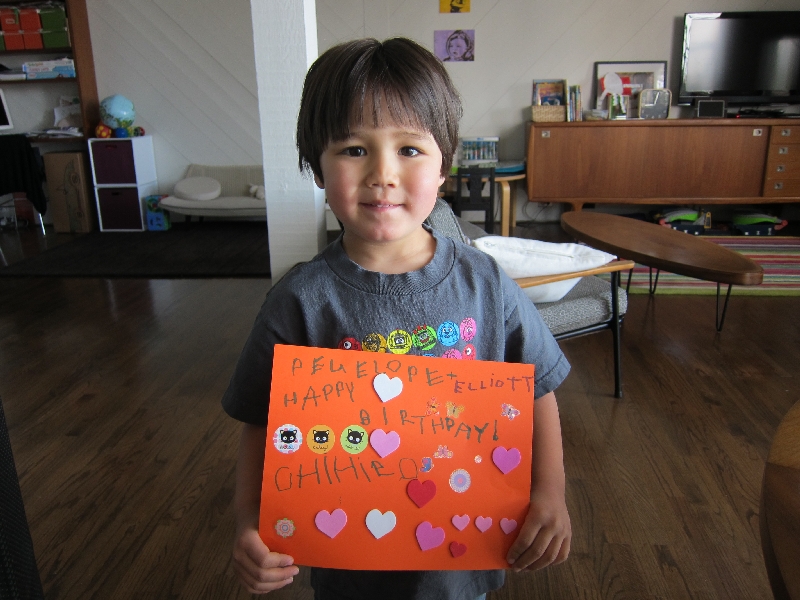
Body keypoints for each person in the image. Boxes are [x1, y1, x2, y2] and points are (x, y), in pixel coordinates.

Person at [223, 37, 572, 599]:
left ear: (443, 166)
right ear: (317, 167)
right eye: (353, 149)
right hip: (346, 567)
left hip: (461, 565)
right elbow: (262, 422)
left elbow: (538, 388)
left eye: (409, 148)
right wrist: (249, 521)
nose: (382, 173)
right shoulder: (300, 300)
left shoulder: (485, 283)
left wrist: (550, 493)